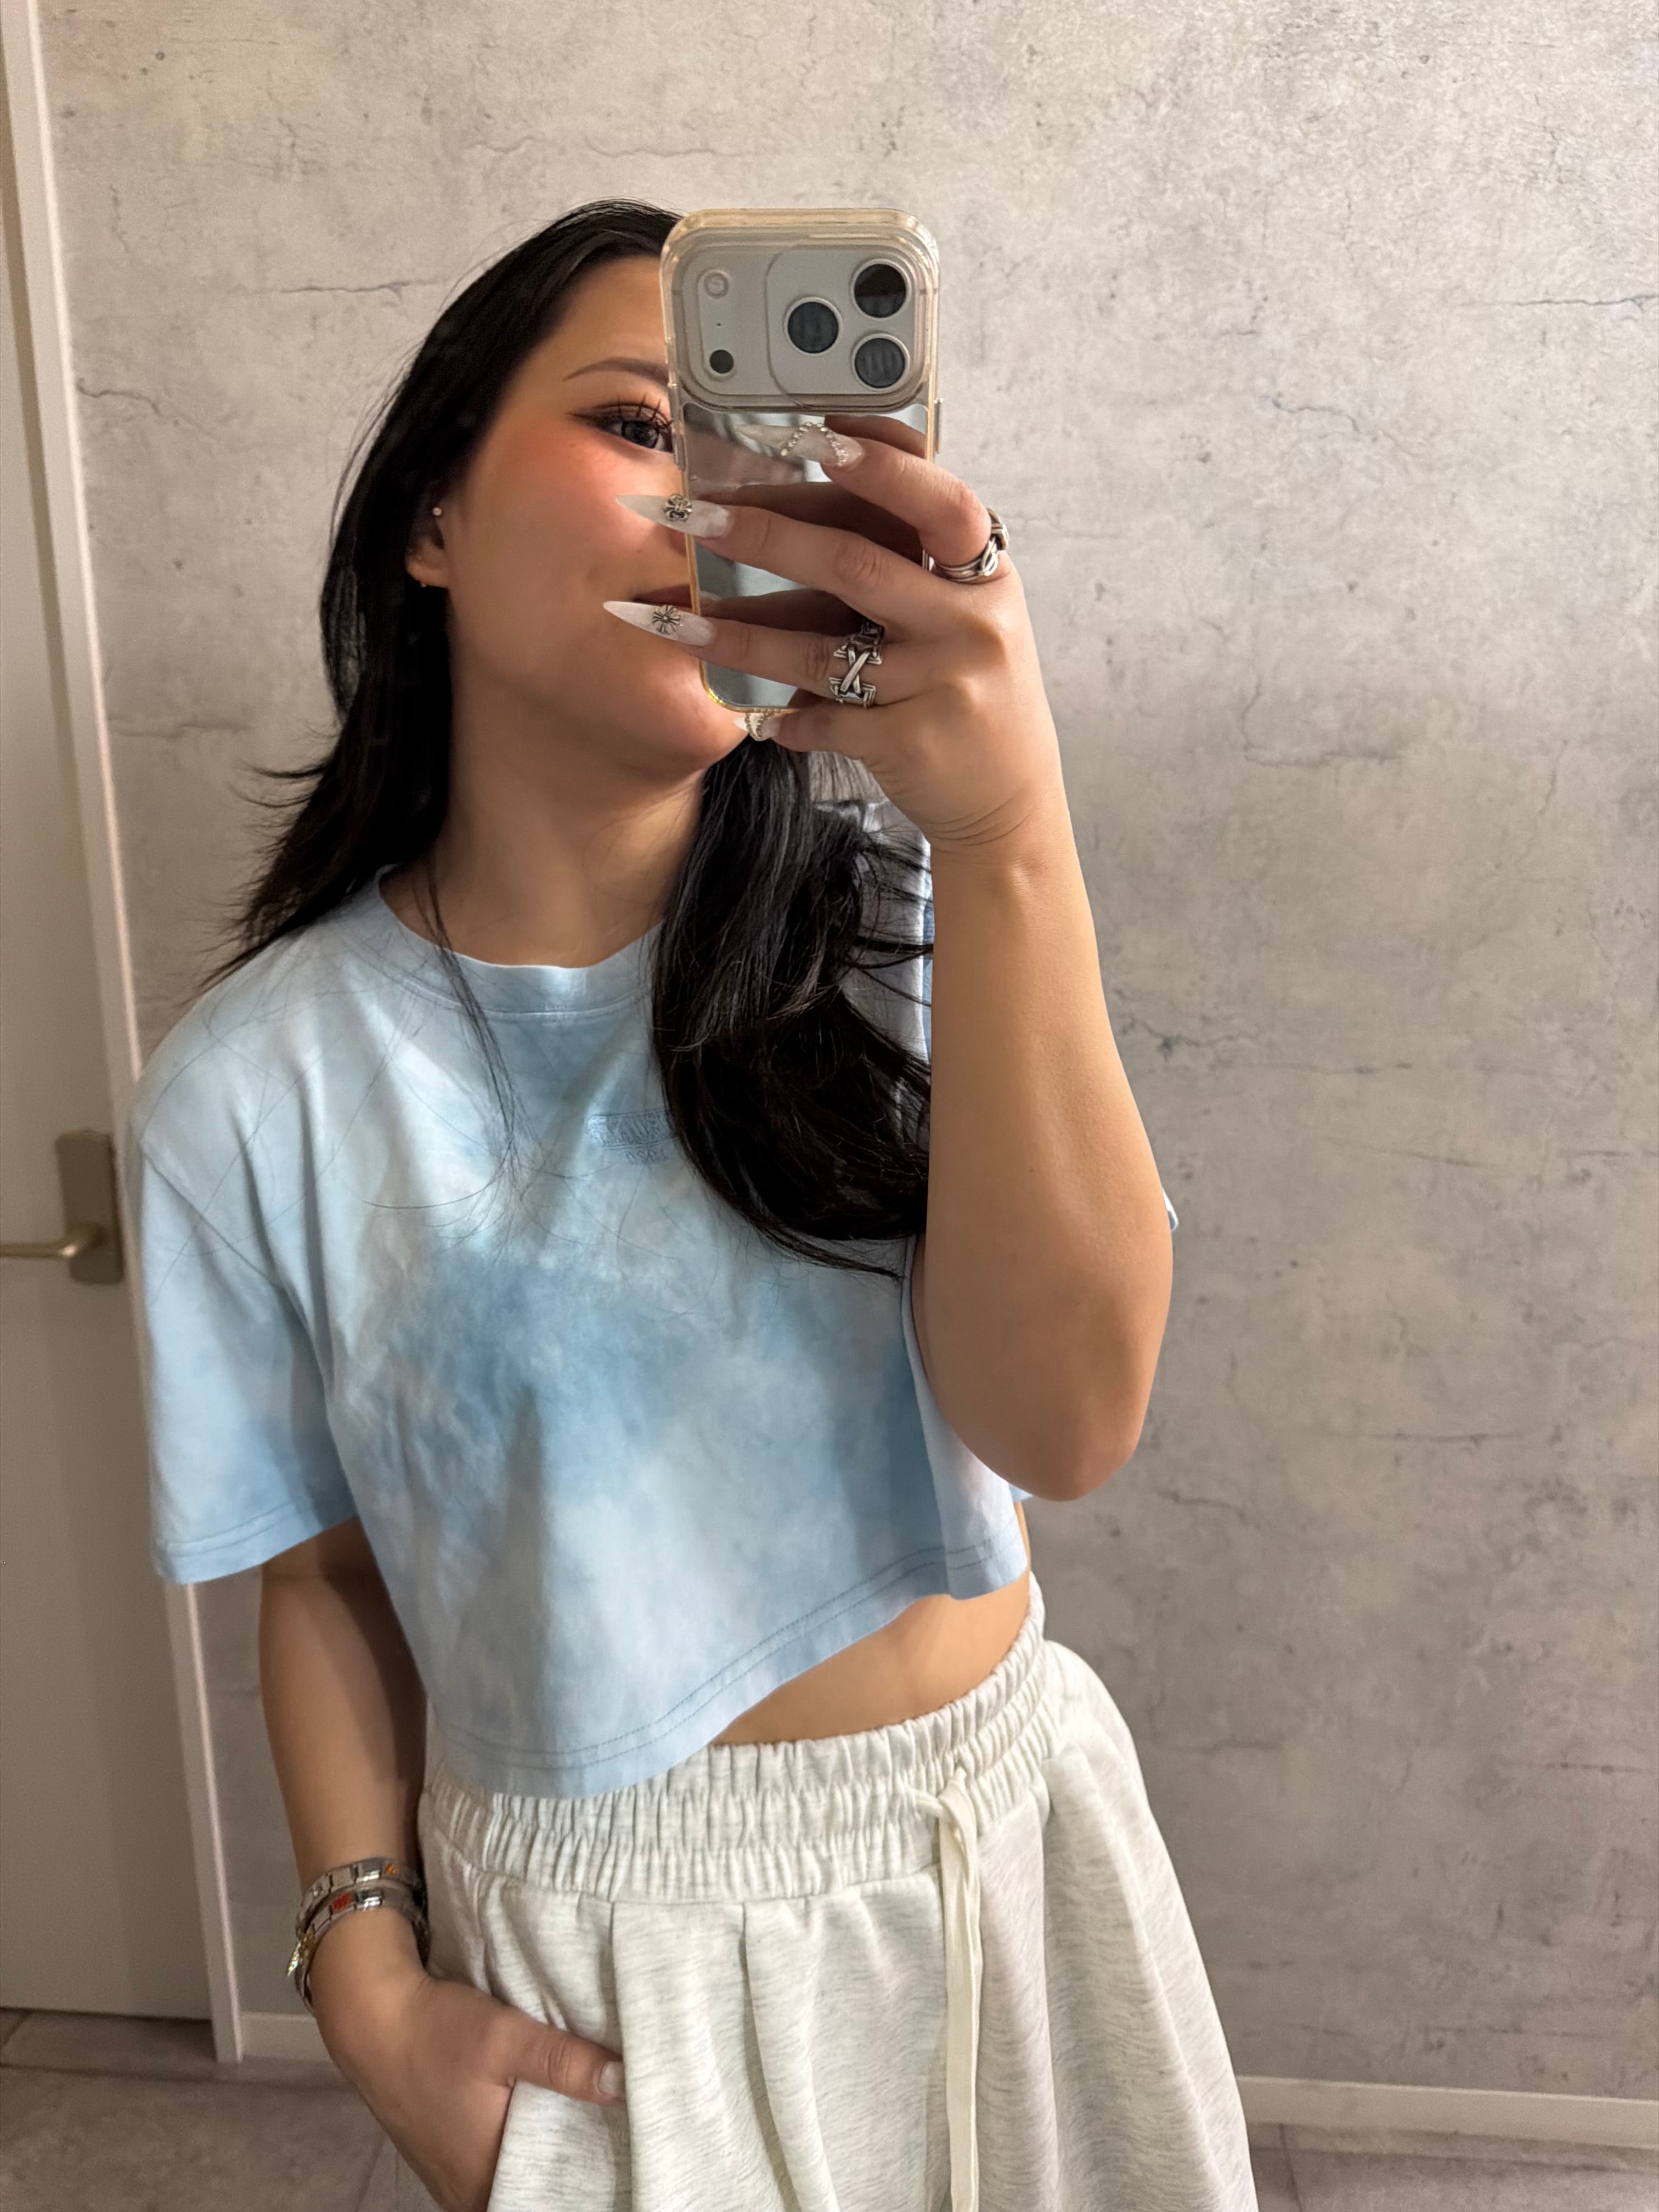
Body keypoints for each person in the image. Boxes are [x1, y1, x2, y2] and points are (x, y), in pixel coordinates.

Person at [121, 199, 1256, 2212]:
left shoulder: (915, 931)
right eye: (644, 424)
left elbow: (1070, 1422)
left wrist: (1010, 828)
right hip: (602, 1975)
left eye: (765, 455)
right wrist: (365, 1987)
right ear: (432, 517)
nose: (711, 501)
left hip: (1005, 1866)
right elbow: (324, 1576)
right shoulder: (257, 1086)